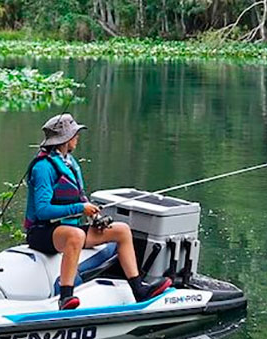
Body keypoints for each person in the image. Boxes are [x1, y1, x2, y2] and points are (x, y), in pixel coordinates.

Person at [24, 113, 171, 310]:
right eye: (75, 134)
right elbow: (42, 211)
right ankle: (66, 297)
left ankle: (138, 289)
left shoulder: (70, 163)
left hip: (68, 229)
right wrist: (80, 208)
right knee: (75, 235)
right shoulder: (43, 168)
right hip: (41, 233)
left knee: (121, 230)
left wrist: (94, 216)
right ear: (64, 139)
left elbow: (79, 196)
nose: (78, 137)